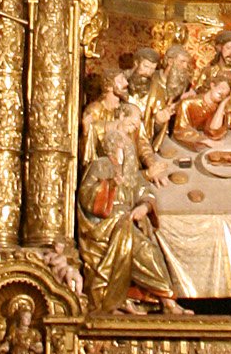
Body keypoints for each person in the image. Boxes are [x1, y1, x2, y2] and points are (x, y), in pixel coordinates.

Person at [76, 128, 186, 315]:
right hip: (106, 223)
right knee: (143, 250)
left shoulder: (128, 169)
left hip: (126, 220)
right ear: (115, 145)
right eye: (125, 144)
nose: (129, 148)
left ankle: (161, 299)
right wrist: (109, 185)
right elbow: (86, 195)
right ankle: (162, 299)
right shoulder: (100, 165)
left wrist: (144, 206)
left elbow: (144, 192)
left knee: (149, 249)